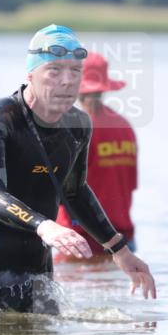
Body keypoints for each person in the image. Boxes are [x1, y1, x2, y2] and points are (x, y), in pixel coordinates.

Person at [0, 24, 157, 313]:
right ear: (31, 74)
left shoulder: (79, 124)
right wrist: (43, 225)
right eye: (54, 71)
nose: (67, 81)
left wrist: (119, 249)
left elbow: (76, 192)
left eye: (75, 72)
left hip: (35, 270)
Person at [55, 52, 138, 262]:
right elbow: (130, 184)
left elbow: (62, 191)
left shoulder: (75, 128)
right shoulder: (123, 126)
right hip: (122, 239)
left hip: (81, 239)